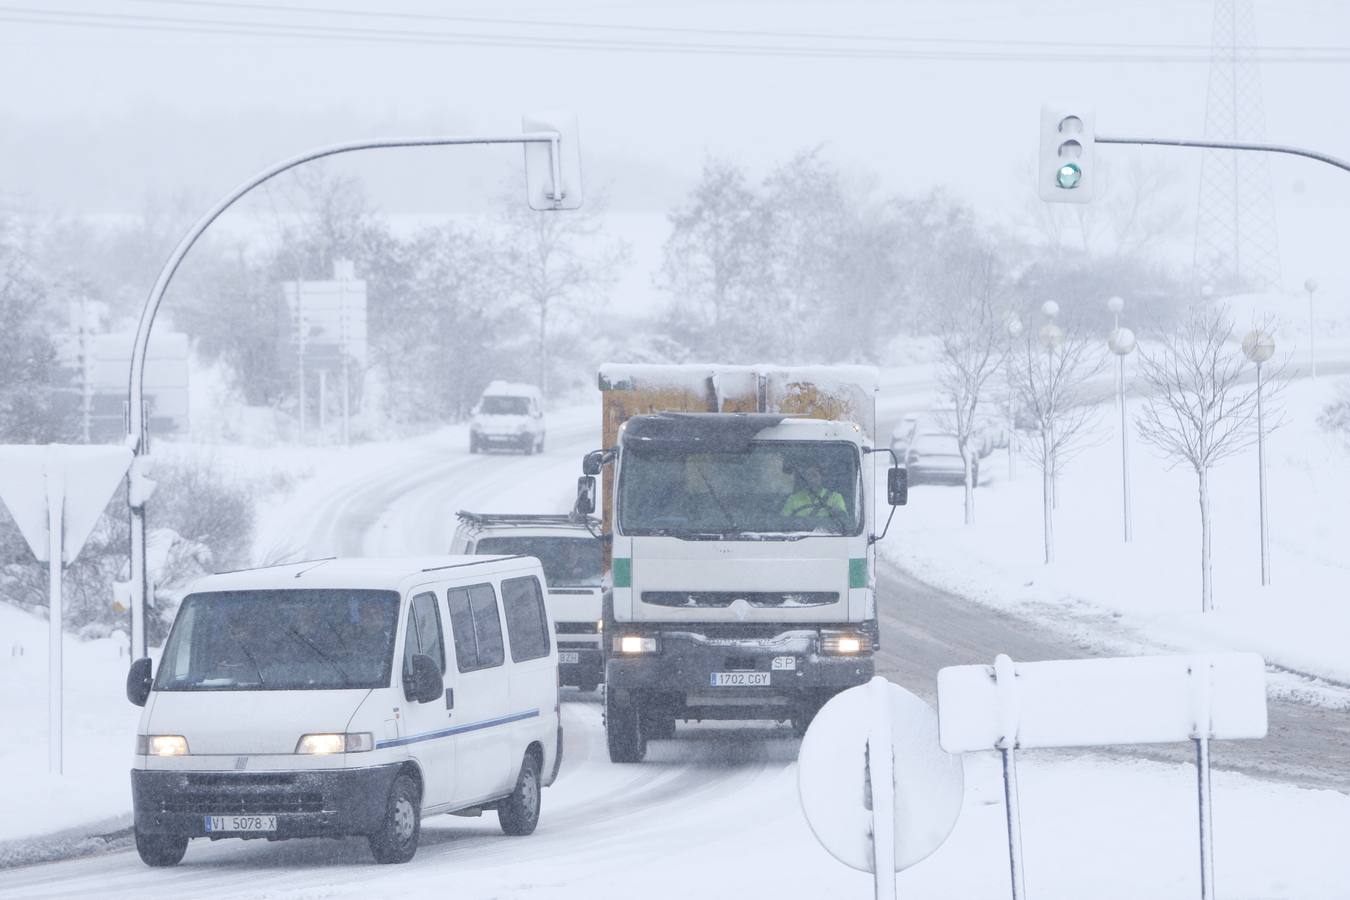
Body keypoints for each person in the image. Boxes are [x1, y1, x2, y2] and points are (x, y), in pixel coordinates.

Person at [781, 462, 847, 521]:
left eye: (814, 475)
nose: (811, 480)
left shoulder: (835, 497)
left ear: (822, 478)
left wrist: (837, 513)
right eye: (808, 476)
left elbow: (843, 520)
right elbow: (783, 522)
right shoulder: (793, 499)